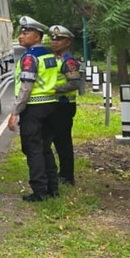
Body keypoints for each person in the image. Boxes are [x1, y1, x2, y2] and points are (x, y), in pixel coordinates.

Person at [7, 16, 60, 201]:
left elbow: (26, 87)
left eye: (26, 32)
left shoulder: (29, 58)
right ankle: (53, 187)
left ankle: (39, 191)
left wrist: (15, 111)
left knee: (33, 149)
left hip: (34, 108)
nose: (21, 36)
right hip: (51, 106)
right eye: (21, 32)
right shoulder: (48, 54)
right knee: (45, 147)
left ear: (37, 36)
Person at [47, 25, 83, 186]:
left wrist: (54, 90)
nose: (55, 42)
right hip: (54, 105)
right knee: (53, 139)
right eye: (53, 38)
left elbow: (75, 83)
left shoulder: (68, 61)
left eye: (59, 39)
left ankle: (67, 177)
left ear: (68, 42)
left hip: (64, 105)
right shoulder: (55, 59)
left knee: (63, 142)